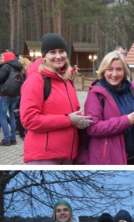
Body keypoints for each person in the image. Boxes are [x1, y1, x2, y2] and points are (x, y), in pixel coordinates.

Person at [19, 33, 93, 165]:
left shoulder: (68, 80)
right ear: (44, 57)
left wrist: (81, 120)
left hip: (68, 154)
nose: (58, 56)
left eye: (61, 51)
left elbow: (73, 111)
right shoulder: (36, 80)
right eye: (52, 52)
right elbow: (29, 120)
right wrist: (69, 120)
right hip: (44, 156)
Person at [76, 50, 134, 165]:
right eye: (110, 69)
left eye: (119, 69)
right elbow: (93, 128)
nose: (115, 74)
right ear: (103, 71)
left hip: (133, 156)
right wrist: (126, 121)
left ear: (125, 71)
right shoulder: (96, 93)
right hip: (109, 158)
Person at [0, 51, 23, 146]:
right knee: (12, 116)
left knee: (2, 116)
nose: (2, 59)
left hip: (5, 94)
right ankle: (13, 139)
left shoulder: (6, 66)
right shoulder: (18, 67)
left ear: (7, 58)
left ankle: (6, 139)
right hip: (15, 94)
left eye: (3, 57)